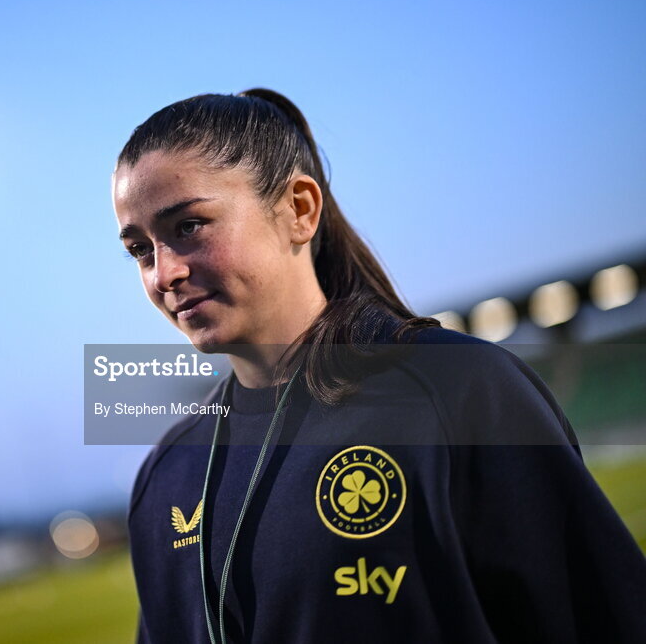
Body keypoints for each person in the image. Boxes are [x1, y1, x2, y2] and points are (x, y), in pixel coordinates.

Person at [111, 88, 646, 643]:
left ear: (298, 209)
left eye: (189, 226)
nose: (162, 273)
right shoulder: (167, 476)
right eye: (139, 249)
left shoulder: (458, 394)